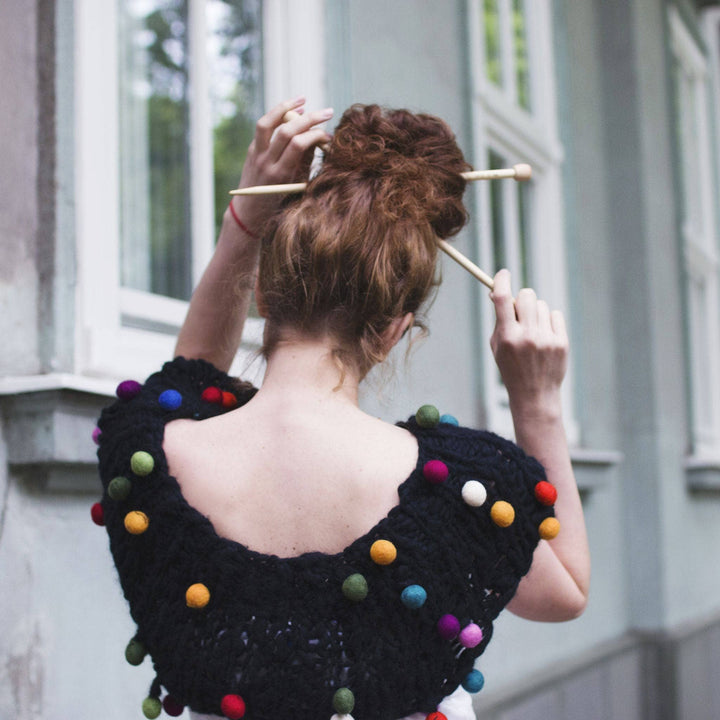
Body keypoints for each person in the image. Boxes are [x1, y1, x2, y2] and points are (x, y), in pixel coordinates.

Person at [95, 98, 590, 720]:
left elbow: (187, 378)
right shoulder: (462, 494)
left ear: (263, 296)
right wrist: (537, 399)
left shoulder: (147, 453)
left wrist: (242, 227)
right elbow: (565, 591)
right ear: (394, 332)